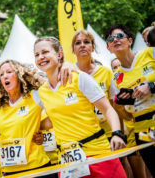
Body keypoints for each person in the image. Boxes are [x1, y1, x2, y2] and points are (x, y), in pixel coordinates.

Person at [34, 36, 127, 178]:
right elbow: (52, 120)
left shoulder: (79, 78)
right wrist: (32, 130)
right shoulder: (42, 91)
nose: (41, 57)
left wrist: (117, 134)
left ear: (59, 54)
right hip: (68, 161)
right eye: (37, 55)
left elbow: (108, 109)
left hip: (97, 154)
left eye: (45, 52)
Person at [0, 60, 58, 177]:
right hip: (10, 172)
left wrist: (37, 127)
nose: (5, 76)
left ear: (19, 75)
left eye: (9, 72)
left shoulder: (35, 95)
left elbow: (58, 106)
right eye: (1, 74)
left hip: (38, 168)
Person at [105, 24, 155, 177]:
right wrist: (121, 106)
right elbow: (125, 115)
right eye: (111, 39)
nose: (116, 40)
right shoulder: (115, 78)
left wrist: (151, 87)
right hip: (143, 131)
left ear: (130, 41)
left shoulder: (150, 53)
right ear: (108, 48)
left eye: (120, 36)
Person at [71, 29, 115, 140]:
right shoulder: (69, 74)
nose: (82, 45)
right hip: (83, 136)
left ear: (93, 47)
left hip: (108, 133)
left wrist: (119, 134)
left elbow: (113, 106)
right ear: (73, 50)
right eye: (78, 43)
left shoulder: (106, 72)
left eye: (86, 42)